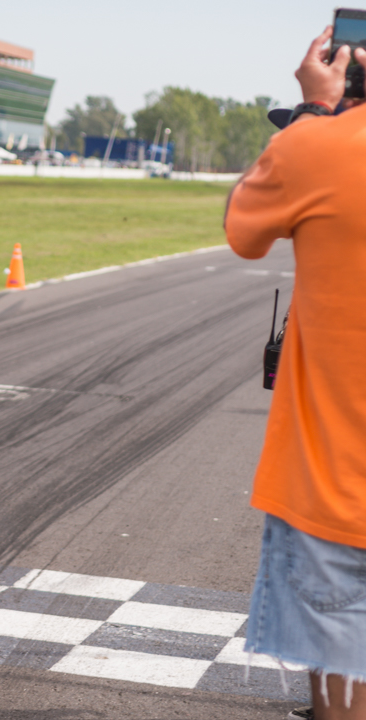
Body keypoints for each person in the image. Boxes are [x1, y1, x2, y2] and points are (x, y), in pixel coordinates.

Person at [226, 26, 366, 720]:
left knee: (341, 696)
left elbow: (242, 230)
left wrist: (314, 112)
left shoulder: (316, 146)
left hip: (336, 490)